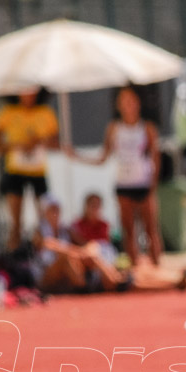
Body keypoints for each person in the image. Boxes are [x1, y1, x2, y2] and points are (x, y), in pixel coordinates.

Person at [66, 87, 163, 267]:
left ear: (138, 102)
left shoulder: (147, 128)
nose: (128, 105)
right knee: (129, 231)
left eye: (131, 100)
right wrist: (77, 156)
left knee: (151, 230)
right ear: (118, 105)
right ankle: (136, 273)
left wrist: (152, 186)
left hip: (143, 183)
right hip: (123, 183)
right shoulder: (114, 128)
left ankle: (157, 268)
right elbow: (103, 158)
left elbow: (156, 159)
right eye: (124, 100)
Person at [33, 195, 186, 295]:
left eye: (57, 209)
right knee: (131, 282)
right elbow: (57, 248)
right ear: (44, 212)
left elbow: (85, 246)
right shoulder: (40, 232)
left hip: (88, 271)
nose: (56, 213)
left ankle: (176, 281)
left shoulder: (66, 230)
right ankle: (174, 283)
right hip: (57, 278)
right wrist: (89, 254)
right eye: (52, 209)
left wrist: (91, 253)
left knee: (136, 275)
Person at [0, 89, 59, 251]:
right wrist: (18, 145)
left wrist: (39, 142)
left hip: (38, 172)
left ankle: (44, 258)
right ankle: (14, 259)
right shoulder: (8, 112)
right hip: (15, 171)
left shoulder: (46, 113)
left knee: (43, 222)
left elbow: (57, 144)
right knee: (16, 223)